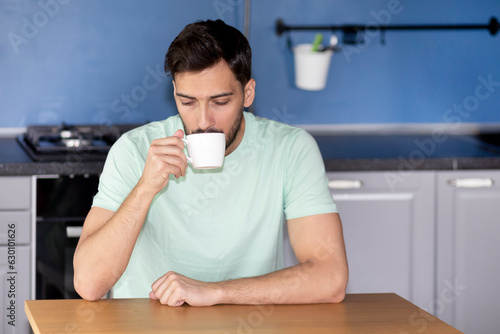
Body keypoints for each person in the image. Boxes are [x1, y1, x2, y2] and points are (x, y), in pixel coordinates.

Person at [73, 19, 348, 307]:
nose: (203, 122)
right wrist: (145, 188)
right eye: (188, 102)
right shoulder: (134, 150)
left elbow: (331, 279)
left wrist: (214, 292)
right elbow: (89, 284)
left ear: (248, 94)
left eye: (219, 102)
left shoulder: (291, 149)